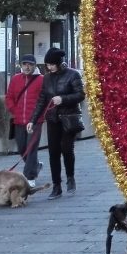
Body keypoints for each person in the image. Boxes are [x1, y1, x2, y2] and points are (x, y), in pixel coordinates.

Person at [28, 48, 85, 199]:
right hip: (53, 119)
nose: (49, 67)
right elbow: (42, 100)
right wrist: (32, 120)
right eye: (47, 65)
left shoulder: (73, 74)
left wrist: (63, 99)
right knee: (53, 152)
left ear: (59, 63)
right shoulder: (46, 78)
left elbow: (81, 94)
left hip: (69, 118)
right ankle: (56, 186)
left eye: (52, 64)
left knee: (67, 148)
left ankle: (70, 178)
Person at [5, 54, 44, 187]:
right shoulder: (15, 79)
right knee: (22, 148)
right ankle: (35, 165)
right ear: (21, 66)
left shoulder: (41, 80)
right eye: (24, 64)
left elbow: (44, 99)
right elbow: (9, 97)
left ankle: (29, 177)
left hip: (35, 121)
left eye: (30, 64)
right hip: (19, 121)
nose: (27, 67)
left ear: (35, 66)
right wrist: (14, 111)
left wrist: (38, 116)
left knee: (31, 148)